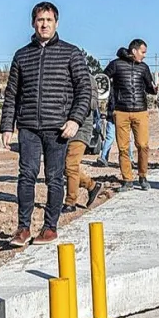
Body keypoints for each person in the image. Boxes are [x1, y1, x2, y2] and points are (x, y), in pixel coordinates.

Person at [0, 1, 91, 246]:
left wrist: (75, 119)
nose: (44, 24)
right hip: (28, 125)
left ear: (56, 23)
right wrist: (7, 125)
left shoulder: (71, 53)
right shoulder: (22, 55)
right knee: (26, 175)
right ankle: (23, 228)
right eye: (40, 20)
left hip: (58, 127)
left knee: (54, 177)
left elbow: (85, 90)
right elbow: (12, 94)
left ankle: (50, 227)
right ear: (33, 23)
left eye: (49, 20)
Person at [104, 39, 157, 191]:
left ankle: (142, 176)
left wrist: (154, 89)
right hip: (121, 111)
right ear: (134, 51)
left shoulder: (144, 68)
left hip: (140, 111)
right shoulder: (115, 64)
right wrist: (110, 106)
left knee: (143, 145)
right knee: (123, 148)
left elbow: (149, 87)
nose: (145, 55)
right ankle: (127, 180)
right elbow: (103, 81)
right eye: (143, 52)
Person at [63, 59, 105, 213]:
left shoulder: (89, 79)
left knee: (71, 165)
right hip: (62, 128)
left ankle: (70, 202)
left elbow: (91, 104)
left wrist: (75, 114)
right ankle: (92, 186)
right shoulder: (61, 78)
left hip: (81, 128)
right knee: (63, 168)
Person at [95, 94, 132, 168]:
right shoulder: (115, 89)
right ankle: (104, 158)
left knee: (125, 138)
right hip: (113, 118)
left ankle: (129, 159)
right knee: (111, 137)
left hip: (120, 117)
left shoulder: (116, 89)